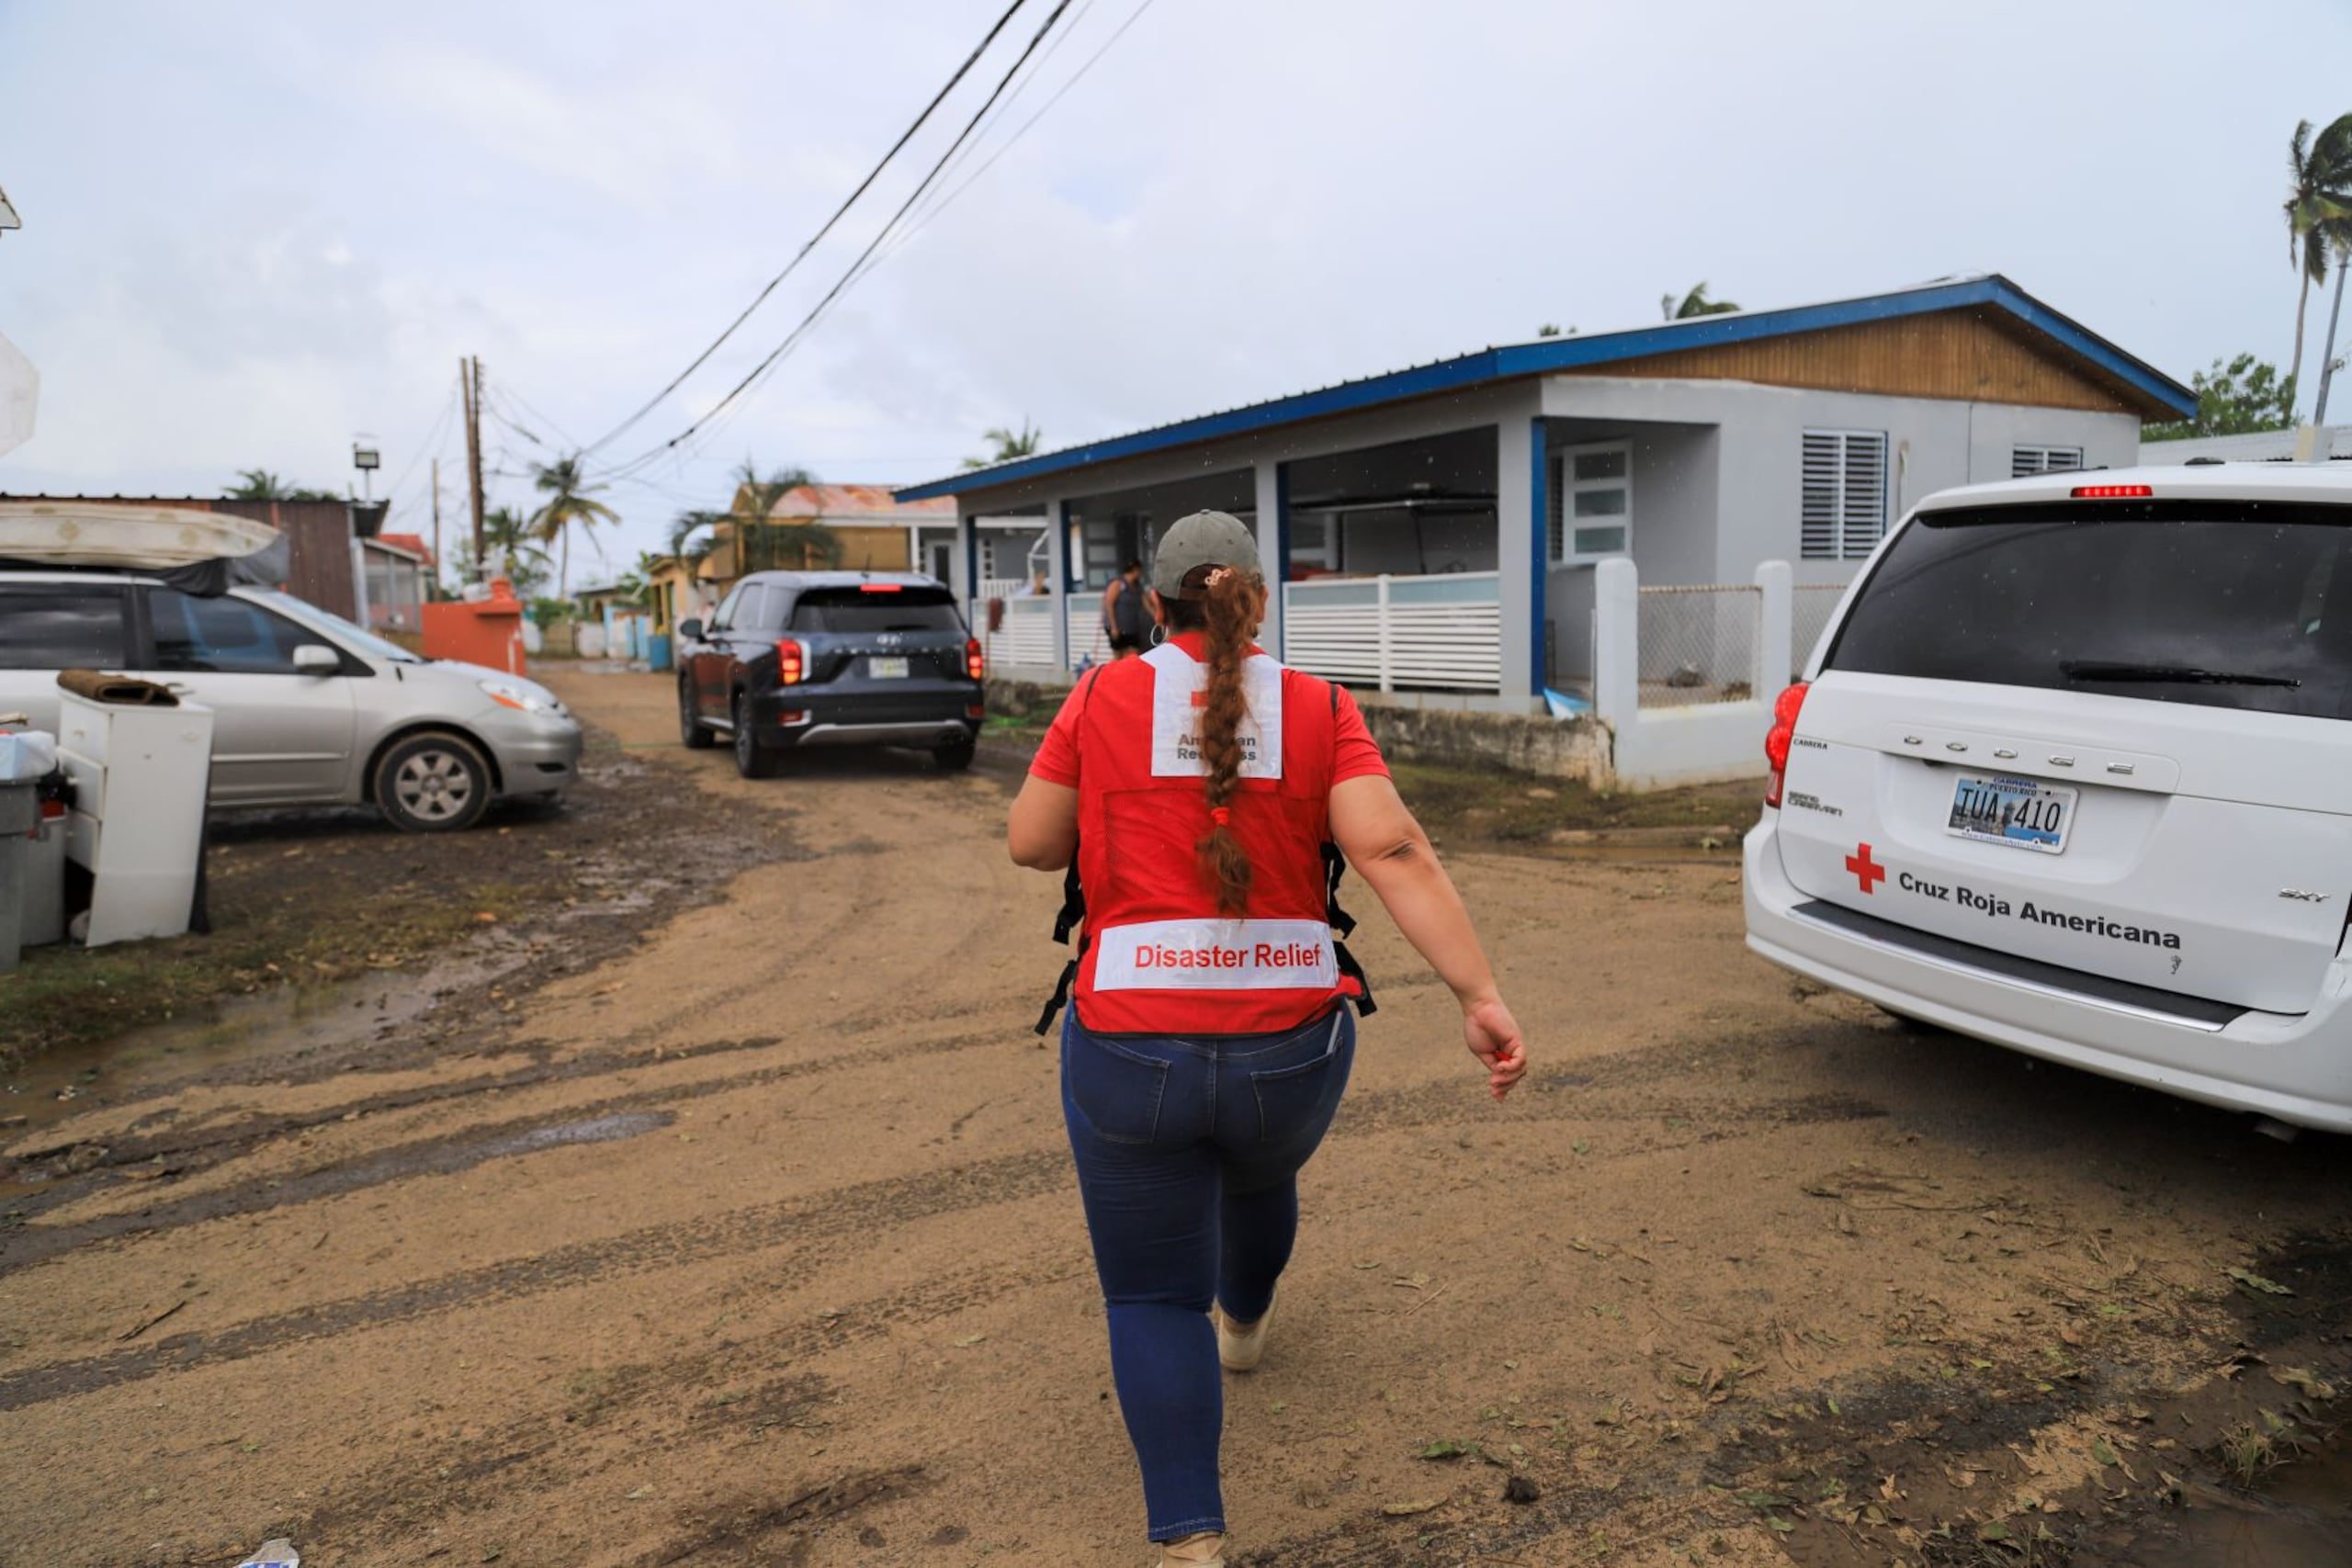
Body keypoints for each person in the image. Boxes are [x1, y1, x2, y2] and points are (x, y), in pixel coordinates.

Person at [1007, 510, 1528, 1567]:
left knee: (1153, 1294)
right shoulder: (1320, 704)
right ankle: (1244, 1323)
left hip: (1127, 1044)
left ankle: (1191, 1538)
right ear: (1256, 596)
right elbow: (1389, 846)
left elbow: (1032, 844)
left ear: (1153, 608)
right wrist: (1477, 995)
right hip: (1289, 1048)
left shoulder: (1102, 694)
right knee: (1253, 1175)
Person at [1102, 558, 1150, 660]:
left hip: (1131, 628)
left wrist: (1158, 615)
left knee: (1133, 654)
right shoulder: (1118, 584)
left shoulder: (1138, 587)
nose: (1140, 573)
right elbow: (1109, 604)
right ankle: (1114, 674)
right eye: (1139, 570)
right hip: (1118, 627)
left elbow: (1147, 605)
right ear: (1135, 569)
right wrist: (1114, 627)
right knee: (1119, 655)